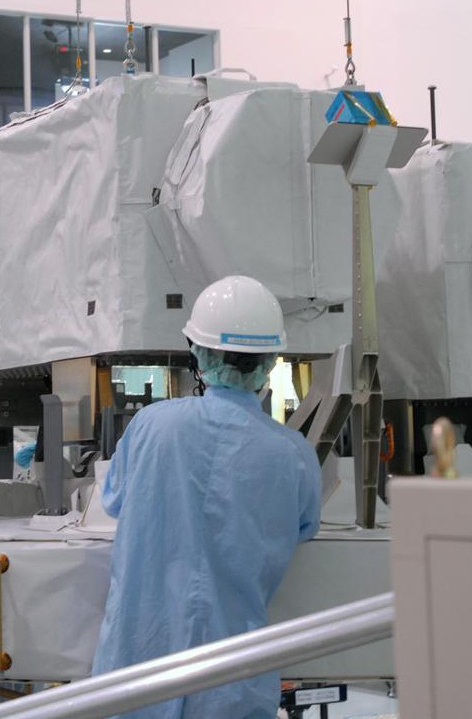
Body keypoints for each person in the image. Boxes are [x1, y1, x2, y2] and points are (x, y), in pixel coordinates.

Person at [90, 275, 321, 718]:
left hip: (137, 677)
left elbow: (114, 501)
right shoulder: (293, 454)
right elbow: (305, 527)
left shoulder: (150, 427)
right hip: (232, 686)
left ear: (199, 354)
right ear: (270, 362)